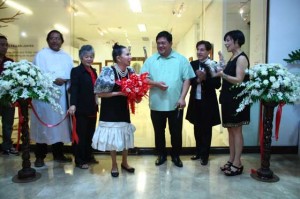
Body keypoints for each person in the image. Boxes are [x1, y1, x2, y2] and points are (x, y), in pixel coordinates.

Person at [140, 31, 195, 168]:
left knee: (176, 133)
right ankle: (161, 155)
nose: (161, 46)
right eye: (158, 43)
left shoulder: (181, 59)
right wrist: (156, 84)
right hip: (156, 105)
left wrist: (183, 98)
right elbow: (143, 79)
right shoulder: (151, 60)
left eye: (163, 43)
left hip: (175, 104)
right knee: (159, 133)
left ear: (170, 43)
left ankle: (176, 156)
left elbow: (187, 79)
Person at [92, 43, 136, 177]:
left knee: (124, 135)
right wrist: (118, 93)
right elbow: (99, 93)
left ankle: (124, 162)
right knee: (112, 138)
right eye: (127, 54)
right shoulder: (108, 71)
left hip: (123, 110)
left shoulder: (130, 72)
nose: (130, 56)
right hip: (109, 110)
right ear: (118, 58)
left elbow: (134, 91)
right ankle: (114, 164)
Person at [30, 30, 73, 167]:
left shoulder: (66, 57)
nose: (55, 41)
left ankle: (58, 154)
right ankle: (40, 156)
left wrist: (67, 82)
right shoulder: (41, 55)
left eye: (58, 38)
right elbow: (36, 75)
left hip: (62, 98)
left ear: (62, 41)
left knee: (59, 127)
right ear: (48, 40)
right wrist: (53, 80)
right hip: (45, 99)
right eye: (52, 38)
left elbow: (72, 75)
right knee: (44, 125)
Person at [216, 30, 250, 176]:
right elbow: (227, 74)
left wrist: (222, 74)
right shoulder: (232, 57)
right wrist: (222, 62)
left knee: (237, 131)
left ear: (237, 41)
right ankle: (231, 159)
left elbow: (238, 80)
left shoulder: (241, 58)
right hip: (229, 98)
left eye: (228, 40)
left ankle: (238, 163)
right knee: (230, 130)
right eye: (225, 40)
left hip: (237, 100)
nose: (226, 43)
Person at [186, 40, 221, 166]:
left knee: (206, 129)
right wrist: (197, 79)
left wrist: (205, 79)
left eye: (202, 50)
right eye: (198, 49)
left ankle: (205, 155)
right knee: (196, 127)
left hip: (208, 102)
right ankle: (198, 152)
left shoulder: (214, 64)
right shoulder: (193, 64)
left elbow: (217, 85)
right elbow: (189, 81)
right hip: (195, 100)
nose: (199, 52)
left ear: (208, 51)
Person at [68, 45, 98, 169]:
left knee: (90, 134)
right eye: (86, 56)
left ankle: (88, 156)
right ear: (81, 57)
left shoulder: (94, 71)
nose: (89, 59)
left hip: (92, 108)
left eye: (91, 57)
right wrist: (73, 104)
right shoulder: (76, 71)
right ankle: (79, 160)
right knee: (81, 135)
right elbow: (74, 88)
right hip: (81, 108)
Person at [0, 35, 19, 156]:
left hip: (7, 98)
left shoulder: (10, 62)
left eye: (6, 45)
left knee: (8, 123)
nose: (4, 47)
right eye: (2, 44)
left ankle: (7, 146)